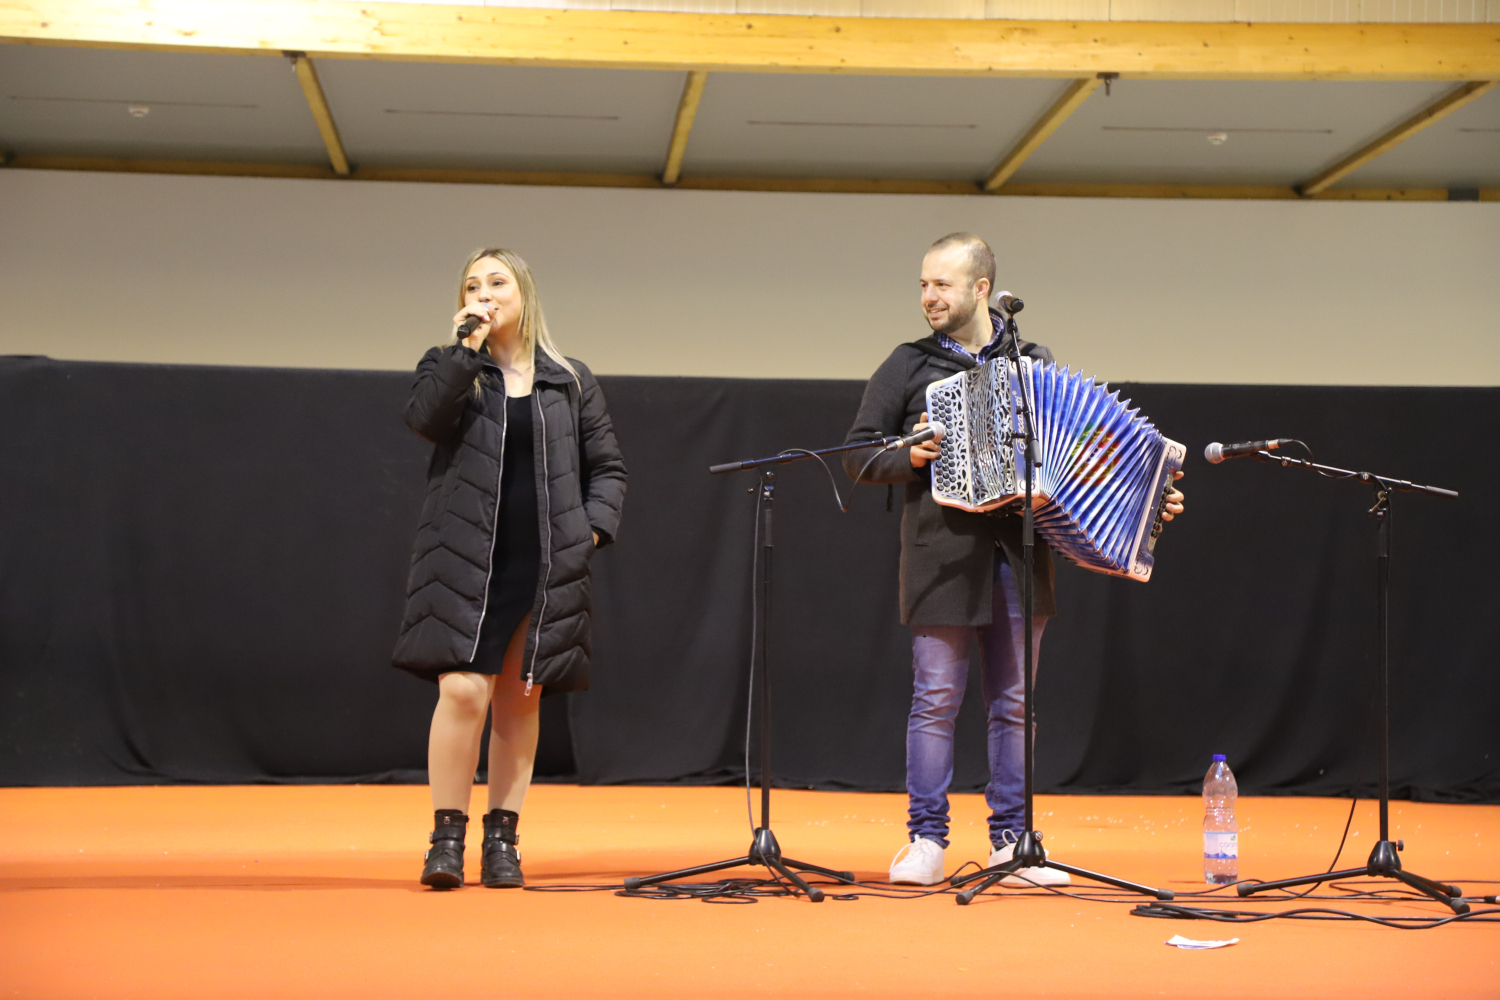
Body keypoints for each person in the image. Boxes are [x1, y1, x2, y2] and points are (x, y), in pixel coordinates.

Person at [842, 233, 1184, 887]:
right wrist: (908, 457)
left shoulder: (1033, 358)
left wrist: (1145, 498)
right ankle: (926, 839)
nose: (927, 297)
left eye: (940, 284)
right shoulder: (908, 365)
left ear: (979, 289)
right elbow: (857, 453)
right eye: (921, 285)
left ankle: (1013, 842)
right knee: (936, 698)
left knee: (1015, 703)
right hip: (940, 556)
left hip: (1017, 556)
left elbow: (1079, 454)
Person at [391, 248, 626, 890]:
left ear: (524, 294)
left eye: (497, 282)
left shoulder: (569, 379)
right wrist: (463, 348)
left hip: (547, 558)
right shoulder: (450, 368)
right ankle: (446, 838)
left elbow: (607, 467)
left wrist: (593, 528)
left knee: (521, 701)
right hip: (468, 556)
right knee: (463, 690)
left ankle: (502, 841)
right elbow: (424, 420)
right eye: (472, 285)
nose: (485, 293)